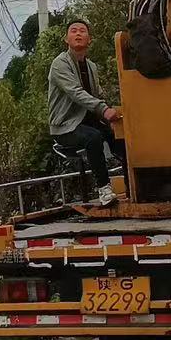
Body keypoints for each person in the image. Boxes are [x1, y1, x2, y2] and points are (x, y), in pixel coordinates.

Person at [47, 19, 124, 205]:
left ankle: (134, 181)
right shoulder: (60, 64)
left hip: (87, 121)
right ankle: (104, 190)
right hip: (66, 126)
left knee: (120, 136)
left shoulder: (91, 66)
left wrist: (116, 112)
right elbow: (76, 93)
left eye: (82, 31)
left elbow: (98, 94)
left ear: (89, 39)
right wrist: (104, 109)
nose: (78, 34)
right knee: (93, 137)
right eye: (73, 31)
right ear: (66, 39)